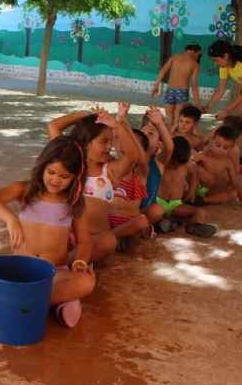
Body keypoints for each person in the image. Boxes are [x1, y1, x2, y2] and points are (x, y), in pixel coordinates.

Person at [0, 136, 96, 328]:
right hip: (20, 269)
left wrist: (81, 261)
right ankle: (52, 303)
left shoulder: (74, 204)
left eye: (65, 177)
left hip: (54, 273)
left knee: (86, 282)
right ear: (42, 166)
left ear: (76, 177)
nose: (56, 180)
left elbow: (84, 241)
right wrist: (11, 219)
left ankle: (6, 303)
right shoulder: (24, 190)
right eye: (51, 172)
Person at [49, 104, 140, 267]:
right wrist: (86, 114)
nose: (109, 147)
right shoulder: (70, 164)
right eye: (104, 141)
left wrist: (117, 126)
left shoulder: (110, 170)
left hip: (95, 242)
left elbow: (132, 157)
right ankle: (66, 263)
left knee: (109, 239)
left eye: (110, 141)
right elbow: (54, 126)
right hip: (67, 236)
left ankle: (59, 265)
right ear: (86, 143)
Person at [109, 103, 157, 251]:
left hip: (130, 223)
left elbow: (142, 159)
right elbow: (116, 136)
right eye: (123, 143)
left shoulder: (141, 173)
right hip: (107, 221)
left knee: (142, 222)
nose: (124, 146)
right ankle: (114, 238)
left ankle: (118, 239)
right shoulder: (111, 165)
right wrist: (121, 116)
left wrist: (128, 130)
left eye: (131, 144)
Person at [156, 137, 217, 238]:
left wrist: (191, 191)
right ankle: (162, 223)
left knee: (200, 212)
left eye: (179, 165)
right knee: (150, 213)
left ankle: (195, 226)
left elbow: (194, 173)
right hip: (157, 202)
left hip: (176, 205)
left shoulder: (186, 165)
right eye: (173, 164)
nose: (176, 167)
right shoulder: (159, 162)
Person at [191, 126, 242, 210]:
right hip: (193, 187)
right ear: (212, 141)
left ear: (232, 147)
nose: (221, 150)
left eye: (225, 148)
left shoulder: (228, 163)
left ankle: (200, 200)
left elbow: (235, 183)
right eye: (218, 145)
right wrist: (199, 169)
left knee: (233, 193)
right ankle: (189, 196)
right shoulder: (203, 155)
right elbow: (186, 163)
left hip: (207, 191)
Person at [150, 42, 202, 128]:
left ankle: (167, 136)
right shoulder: (195, 64)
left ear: (185, 50)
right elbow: (194, 85)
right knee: (178, 119)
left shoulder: (175, 57)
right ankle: (175, 137)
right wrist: (198, 104)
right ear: (198, 52)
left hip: (170, 89)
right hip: (182, 92)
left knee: (169, 118)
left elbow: (163, 70)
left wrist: (156, 86)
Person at [138, 107, 174, 232]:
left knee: (158, 210)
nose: (146, 135)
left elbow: (169, 148)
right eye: (142, 132)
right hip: (126, 210)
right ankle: (143, 228)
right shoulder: (130, 158)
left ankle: (142, 227)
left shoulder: (158, 161)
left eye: (151, 133)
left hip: (145, 210)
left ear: (160, 144)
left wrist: (160, 123)